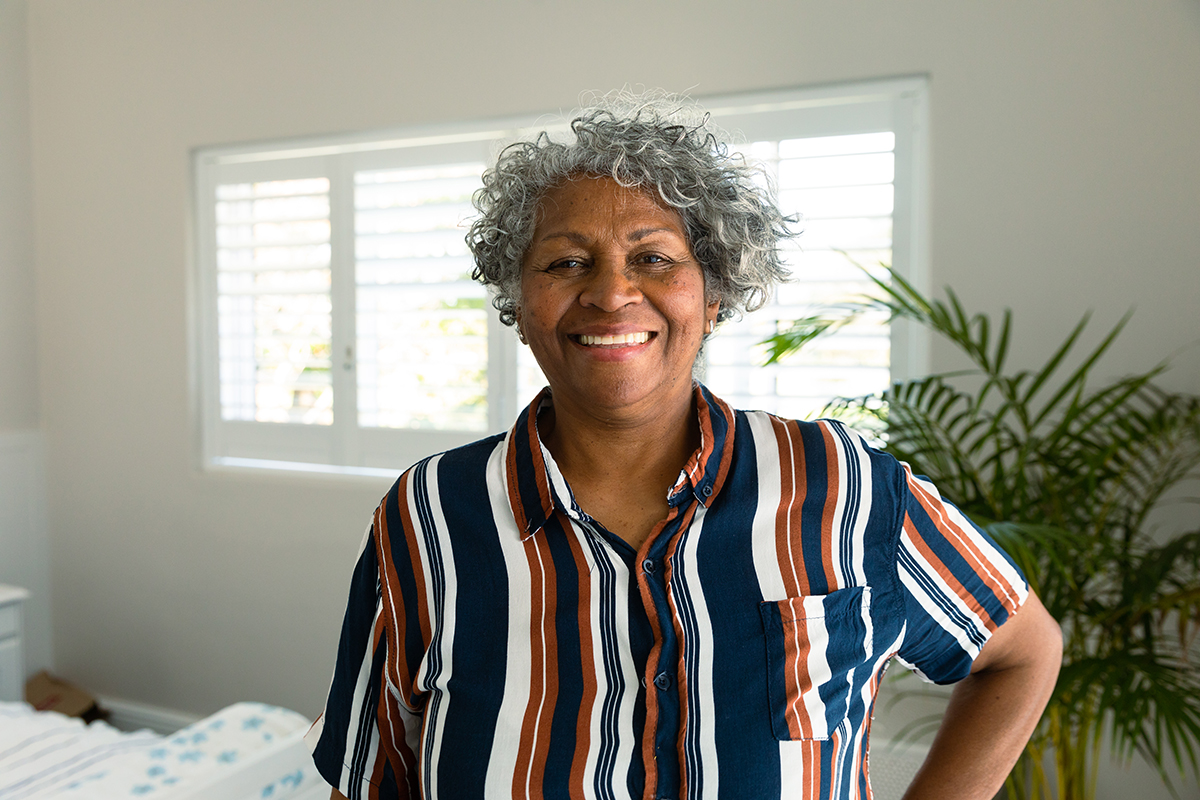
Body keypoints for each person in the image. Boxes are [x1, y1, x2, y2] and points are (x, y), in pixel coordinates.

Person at [307, 95, 1062, 800]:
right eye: (566, 262)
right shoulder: (429, 510)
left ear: (715, 290)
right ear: (518, 298)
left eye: (654, 258)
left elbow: (1021, 653)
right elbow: (371, 767)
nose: (610, 294)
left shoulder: (844, 485)